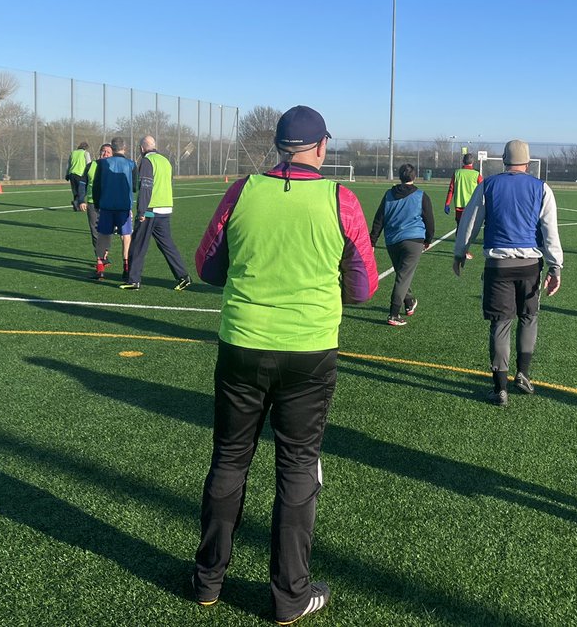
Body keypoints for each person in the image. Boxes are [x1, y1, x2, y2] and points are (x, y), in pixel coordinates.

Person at [191, 105, 378, 623]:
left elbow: (208, 266)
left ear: (276, 147)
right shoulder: (340, 199)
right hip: (309, 353)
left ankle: (208, 580)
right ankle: (288, 596)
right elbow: (363, 288)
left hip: (242, 346)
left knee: (229, 461)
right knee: (297, 469)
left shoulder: (242, 190)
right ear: (321, 147)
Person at [453, 139, 562, 407]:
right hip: (530, 266)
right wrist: (555, 266)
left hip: (498, 266)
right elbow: (550, 231)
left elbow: (470, 222)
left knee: (500, 324)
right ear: (528, 161)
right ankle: (523, 374)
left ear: (503, 160)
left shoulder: (488, 185)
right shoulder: (541, 188)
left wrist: (460, 252)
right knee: (529, 317)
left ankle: (499, 389)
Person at [120, 135, 192, 291]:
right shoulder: (165, 161)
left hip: (151, 210)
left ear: (141, 148)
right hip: (166, 208)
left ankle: (133, 280)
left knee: (138, 244)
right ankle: (183, 276)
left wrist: (141, 210)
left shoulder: (147, 161)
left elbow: (146, 186)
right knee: (167, 245)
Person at [369, 163, 435, 326]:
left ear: (400, 176)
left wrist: (372, 241)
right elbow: (430, 221)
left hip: (392, 242)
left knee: (402, 275)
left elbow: (379, 219)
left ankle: (409, 301)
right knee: (403, 277)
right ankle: (393, 314)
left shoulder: (388, 194)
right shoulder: (421, 195)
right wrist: (428, 239)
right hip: (413, 241)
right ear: (414, 177)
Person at [91, 136, 135, 281]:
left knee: (103, 235)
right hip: (123, 207)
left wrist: (97, 204)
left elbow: (96, 186)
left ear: (112, 148)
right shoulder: (131, 164)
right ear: (125, 148)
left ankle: (100, 268)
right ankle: (126, 268)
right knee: (126, 237)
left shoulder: (103, 164)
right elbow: (135, 187)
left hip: (106, 206)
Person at [444, 153, 483, 260]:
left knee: (460, 228)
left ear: (463, 161)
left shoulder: (457, 173)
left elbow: (451, 189)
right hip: (472, 207)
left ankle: (460, 249)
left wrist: (447, 203)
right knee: (469, 230)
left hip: (459, 206)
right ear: (472, 162)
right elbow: (484, 189)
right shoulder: (476, 175)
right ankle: (465, 250)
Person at [78, 143, 112, 263]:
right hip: (92, 203)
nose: (105, 154)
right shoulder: (90, 166)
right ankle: (101, 258)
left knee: (107, 231)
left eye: (108, 152)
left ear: (112, 154)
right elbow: (82, 184)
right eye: (103, 151)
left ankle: (105, 252)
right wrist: (81, 200)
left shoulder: (114, 166)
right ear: (99, 152)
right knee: (95, 231)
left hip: (109, 204)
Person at [66, 141, 91, 211]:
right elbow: (89, 164)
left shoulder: (73, 153)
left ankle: (76, 206)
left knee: (75, 191)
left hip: (72, 174)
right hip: (81, 174)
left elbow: (69, 165)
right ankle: (78, 203)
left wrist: (67, 174)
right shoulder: (85, 153)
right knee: (83, 190)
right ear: (86, 148)